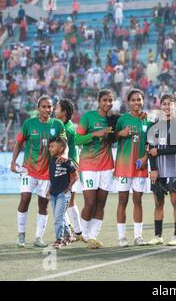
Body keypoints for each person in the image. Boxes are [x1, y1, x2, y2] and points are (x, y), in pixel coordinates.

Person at [10, 96, 66, 248]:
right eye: (44, 107)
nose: (47, 110)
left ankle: (38, 238)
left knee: (43, 204)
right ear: (38, 108)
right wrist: (13, 162)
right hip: (29, 169)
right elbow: (19, 143)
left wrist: (64, 159)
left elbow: (63, 145)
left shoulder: (58, 124)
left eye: (50, 107)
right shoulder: (29, 124)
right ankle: (21, 234)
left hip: (48, 173)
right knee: (25, 198)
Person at [75, 90, 116, 249]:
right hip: (89, 165)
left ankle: (93, 237)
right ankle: (84, 234)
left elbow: (120, 133)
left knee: (101, 204)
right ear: (99, 101)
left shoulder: (113, 119)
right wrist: (95, 134)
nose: (108, 103)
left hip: (106, 166)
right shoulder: (88, 117)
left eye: (110, 101)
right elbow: (78, 140)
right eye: (105, 100)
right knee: (90, 202)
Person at [115, 89, 152, 247]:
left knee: (138, 201)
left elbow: (151, 144)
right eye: (134, 100)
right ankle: (122, 238)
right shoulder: (122, 119)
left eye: (139, 100)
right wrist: (120, 134)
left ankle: (138, 237)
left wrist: (146, 157)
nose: (137, 102)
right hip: (123, 166)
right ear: (128, 102)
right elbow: (112, 138)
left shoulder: (147, 121)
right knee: (122, 201)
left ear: (143, 101)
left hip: (140, 167)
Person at [147, 94, 176, 246]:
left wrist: (160, 152)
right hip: (158, 170)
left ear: (174, 106)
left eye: (170, 104)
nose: (167, 107)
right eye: (164, 104)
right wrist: (153, 169)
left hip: (173, 169)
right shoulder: (154, 125)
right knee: (158, 203)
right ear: (160, 106)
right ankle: (158, 236)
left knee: (175, 201)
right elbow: (150, 149)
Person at [55, 99, 83, 242]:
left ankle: (74, 232)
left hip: (69, 167)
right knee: (68, 202)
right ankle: (77, 232)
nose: (54, 110)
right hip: (70, 165)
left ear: (64, 112)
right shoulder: (67, 125)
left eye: (57, 108)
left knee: (64, 202)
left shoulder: (67, 128)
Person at [47, 137, 78, 249]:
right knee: (59, 216)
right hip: (53, 194)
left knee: (58, 217)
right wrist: (48, 190)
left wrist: (68, 188)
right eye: (50, 146)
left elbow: (76, 176)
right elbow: (52, 178)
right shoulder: (51, 161)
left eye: (52, 146)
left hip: (63, 194)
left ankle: (58, 239)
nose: (50, 148)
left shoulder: (66, 161)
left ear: (61, 149)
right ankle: (69, 236)